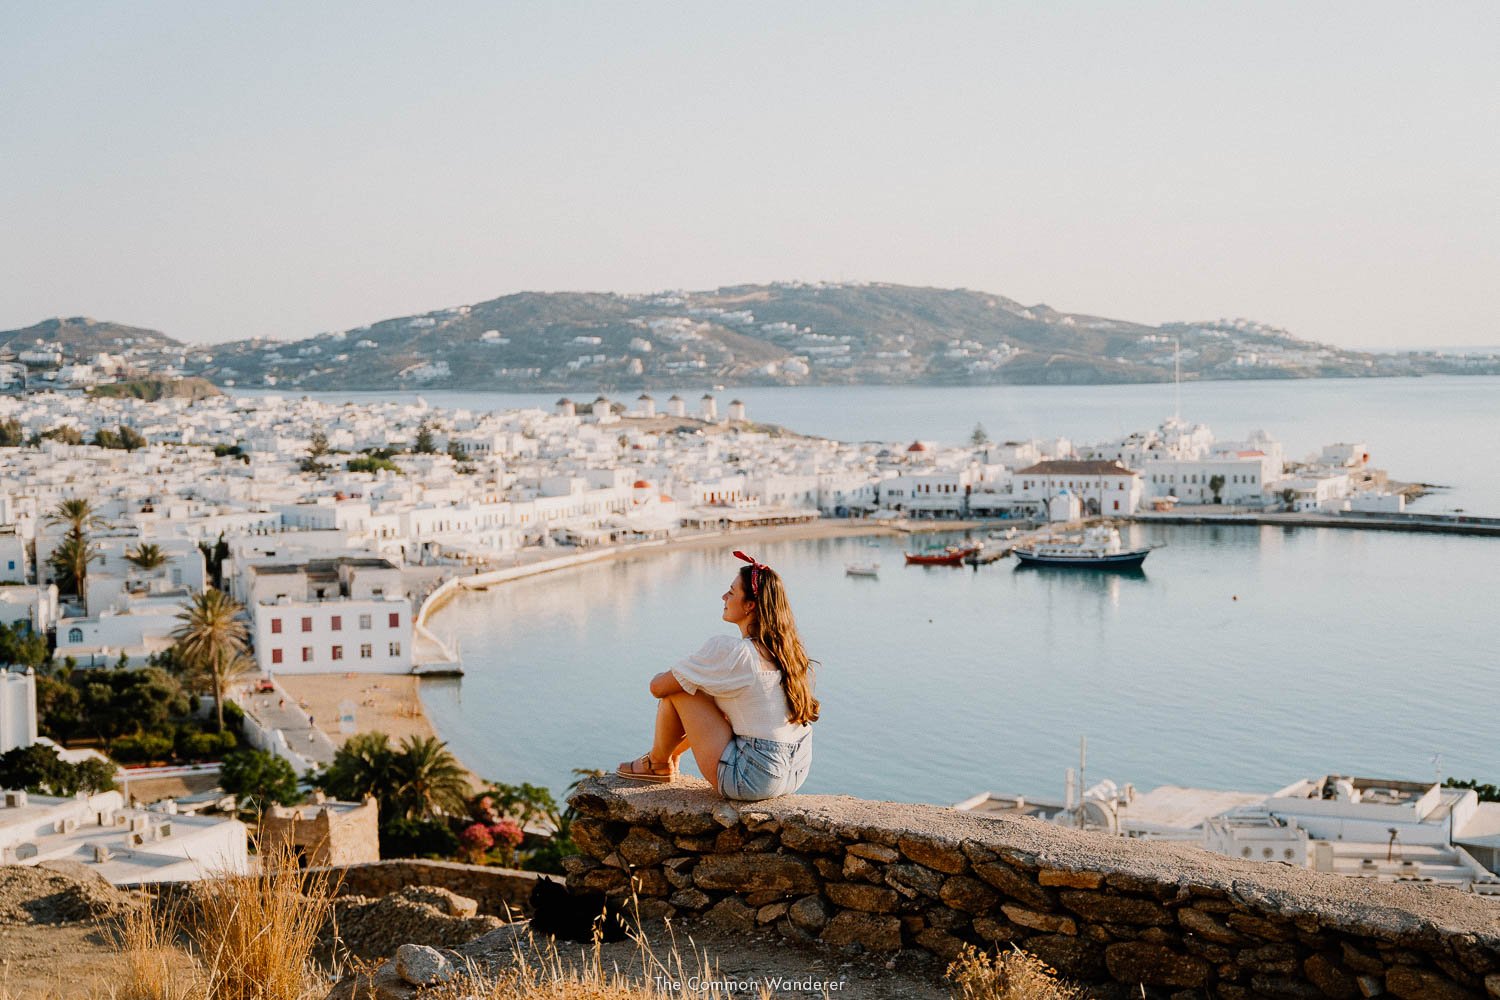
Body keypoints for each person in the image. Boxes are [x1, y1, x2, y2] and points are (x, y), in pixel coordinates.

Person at [617, 551, 819, 801]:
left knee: (680, 688)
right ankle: (666, 757)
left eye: (731, 592)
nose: (724, 597)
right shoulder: (788, 653)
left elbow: (658, 687)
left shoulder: (735, 652)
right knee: (706, 688)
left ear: (750, 605)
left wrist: (684, 674)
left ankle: (657, 763)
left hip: (752, 778)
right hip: (795, 772)